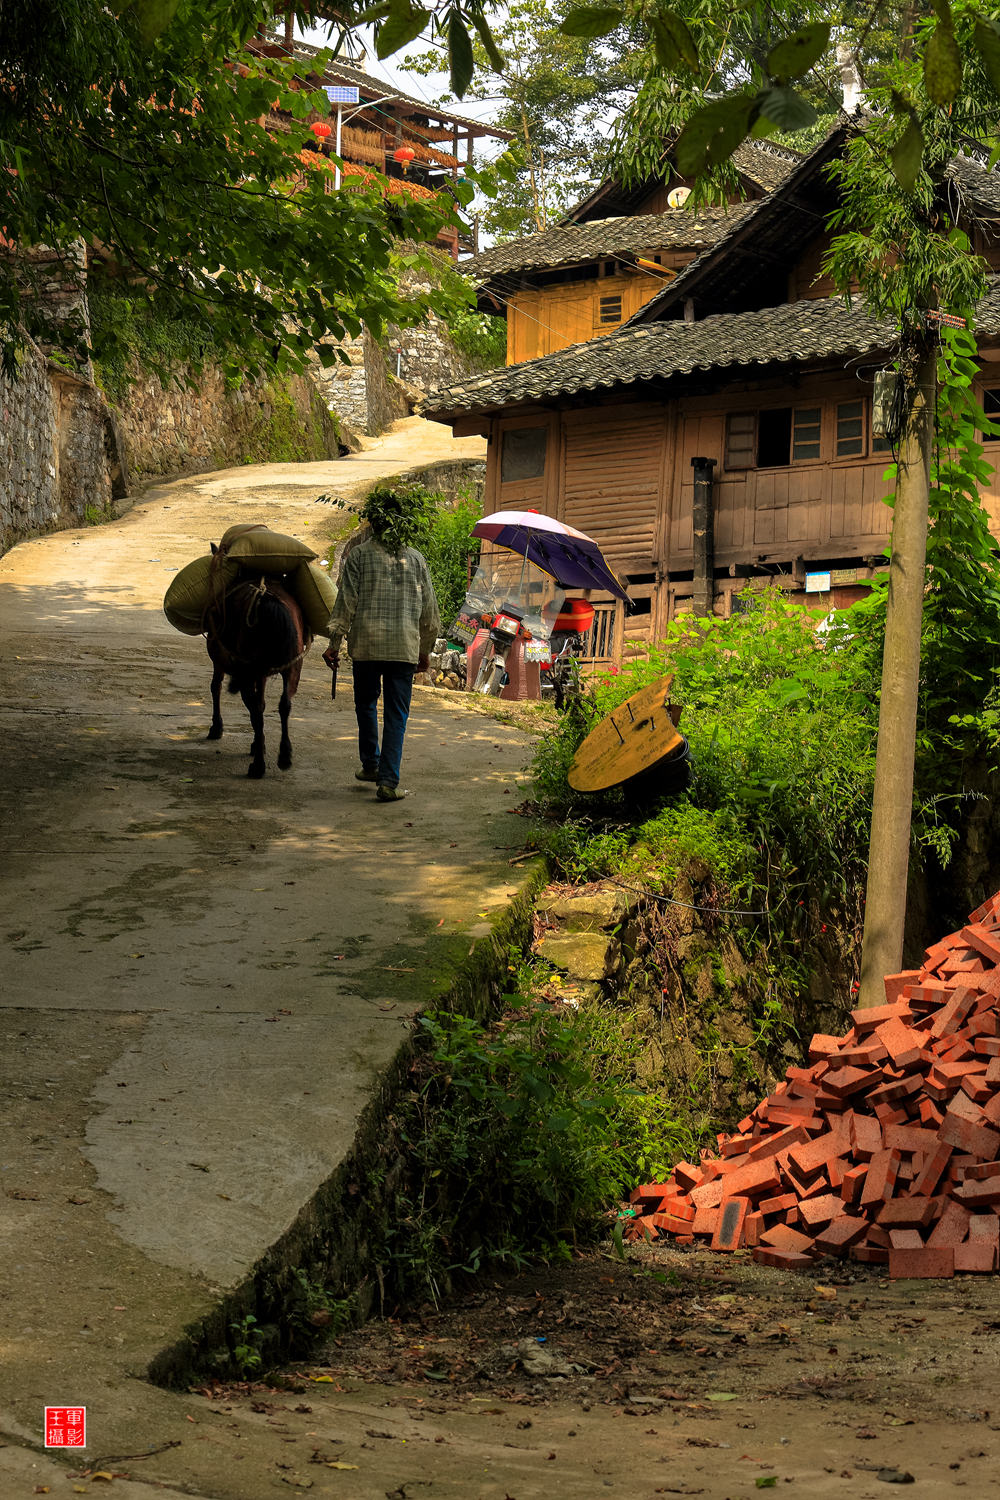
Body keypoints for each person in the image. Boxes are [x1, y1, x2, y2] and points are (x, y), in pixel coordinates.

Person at [323, 485, 441, 803]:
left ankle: (370, 764)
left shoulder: (359, 557)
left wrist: (335, 642)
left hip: (366, 648)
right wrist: (424, 653)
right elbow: (429, 616)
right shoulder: (416, 561)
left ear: (373, 523)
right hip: (403, 650)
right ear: (404, 523)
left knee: (365, 704)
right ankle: (388, 782)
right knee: (396, 715)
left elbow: (345, 602)